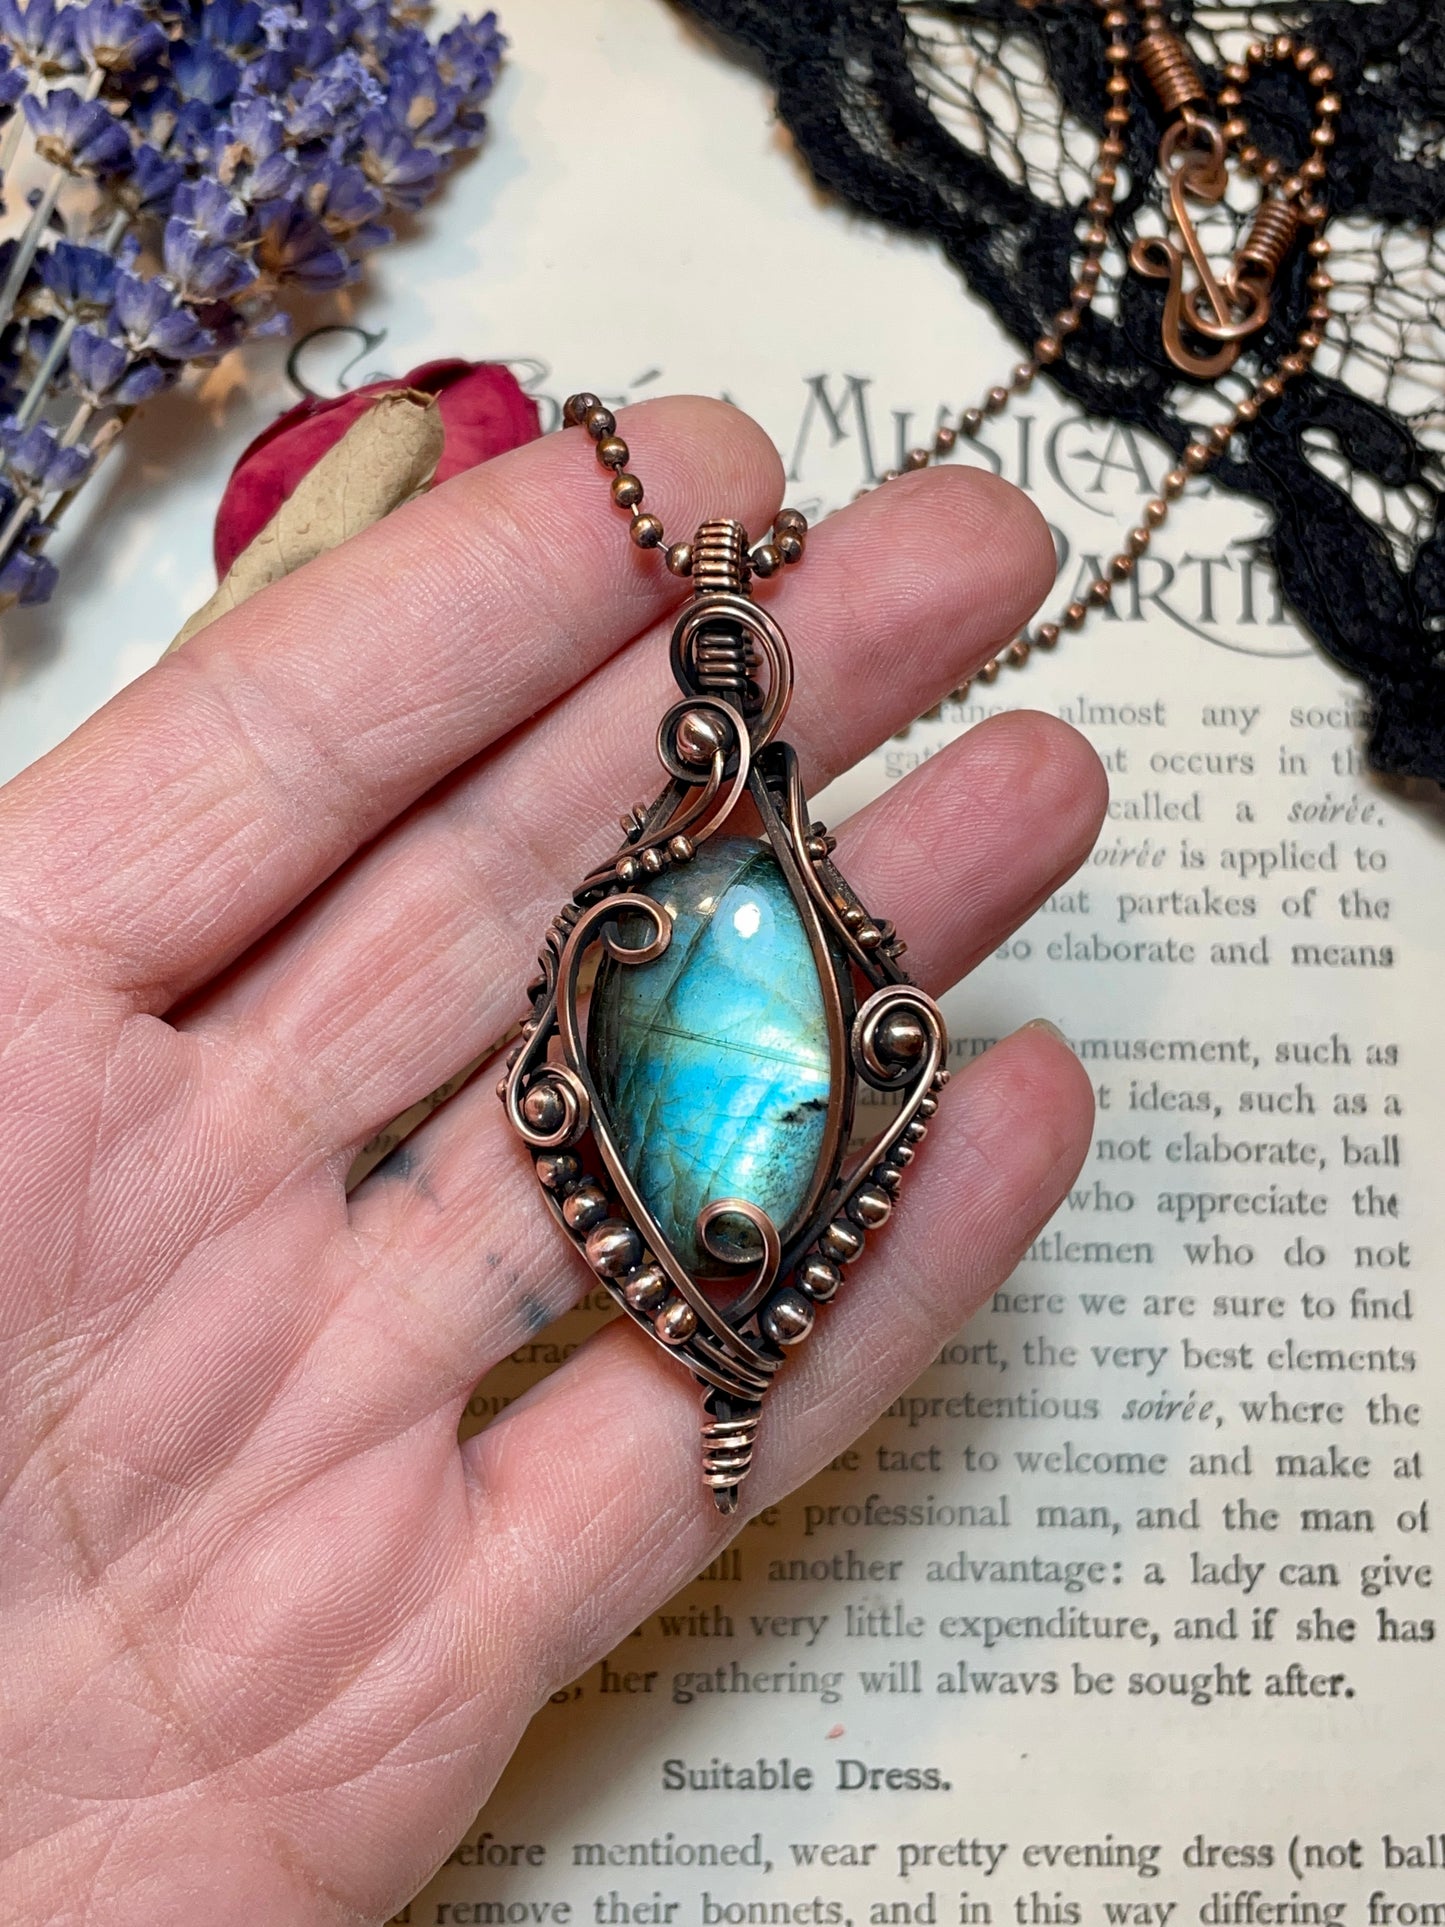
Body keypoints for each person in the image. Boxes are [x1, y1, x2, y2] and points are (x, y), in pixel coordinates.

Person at [0, 398, 1105, 1923]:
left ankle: (731, 1364)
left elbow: (793, 1055)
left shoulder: (704, 900)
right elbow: (606, 1068)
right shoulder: (688, 917)